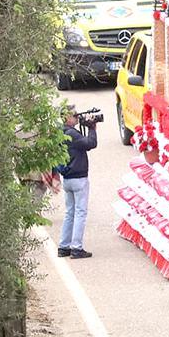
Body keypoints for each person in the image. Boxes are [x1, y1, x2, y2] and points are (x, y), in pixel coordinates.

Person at [58, 106, 97, 259]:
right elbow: (91, 143)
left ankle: (64, 246)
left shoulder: (60, 133)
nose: (76, 117)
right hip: (79, 178)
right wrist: (92, 128)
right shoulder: (72, 134)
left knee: (69, 213)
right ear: (67, 118)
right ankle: (76, 248)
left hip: (67, 179)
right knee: (80, 213)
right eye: (74, 115)